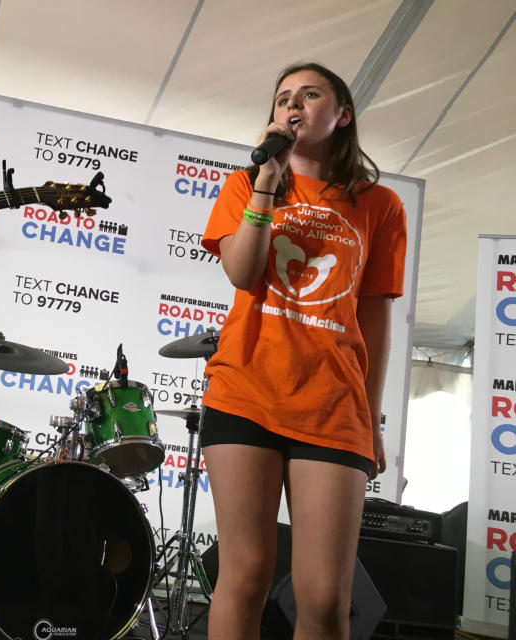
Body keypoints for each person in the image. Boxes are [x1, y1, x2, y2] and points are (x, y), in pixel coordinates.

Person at [199, 62, 406, 640]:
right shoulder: (246, 184)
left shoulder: (381, 204)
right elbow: (242, 273)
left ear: (341, 116)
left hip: (333, 405)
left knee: (323, 598)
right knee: (244, 578)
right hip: (245, 393)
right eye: (283, 97)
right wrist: (268, 180)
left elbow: (375, 318)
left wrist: (371, 418)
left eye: (309, 95)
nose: (293, 105)